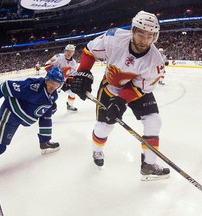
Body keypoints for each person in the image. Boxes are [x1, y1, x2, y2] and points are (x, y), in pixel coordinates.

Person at [70, 11, 170, 180]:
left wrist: (122, 100)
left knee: (154, 121)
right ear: (132, 30)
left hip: (136, 90)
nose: (145, 40)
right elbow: (89, 51)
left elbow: (140, 88)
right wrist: (82, 72)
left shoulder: (155, 62)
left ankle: (149, 165)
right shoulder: (113, 38)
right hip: (111, 85)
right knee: (105, 126)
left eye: (150, 36)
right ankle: (97, 151)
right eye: (141, 34)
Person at [0, 66, 64, 187]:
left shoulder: (53, 96)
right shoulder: (33, 87)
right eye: (51, 82)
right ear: (46, 79)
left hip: (21, 119)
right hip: (10, 114)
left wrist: (50, 108)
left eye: (57, 84)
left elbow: (45, 116)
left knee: (47, 115)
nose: (53, 86)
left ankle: (45, 142)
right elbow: (7, 86)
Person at [45, 44, 78, 111]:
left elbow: (72, 74)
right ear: (65, 51)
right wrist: (58, 72)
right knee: (47, 95)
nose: (69, 53)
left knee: (72, 93)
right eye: (68, 51)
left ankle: (70, 105)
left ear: (73, 53)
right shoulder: (58, 57)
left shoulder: (74, 62)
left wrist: (71, 81)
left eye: (71, 52)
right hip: (52, 81)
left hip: (62, 82)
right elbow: (46, 66)